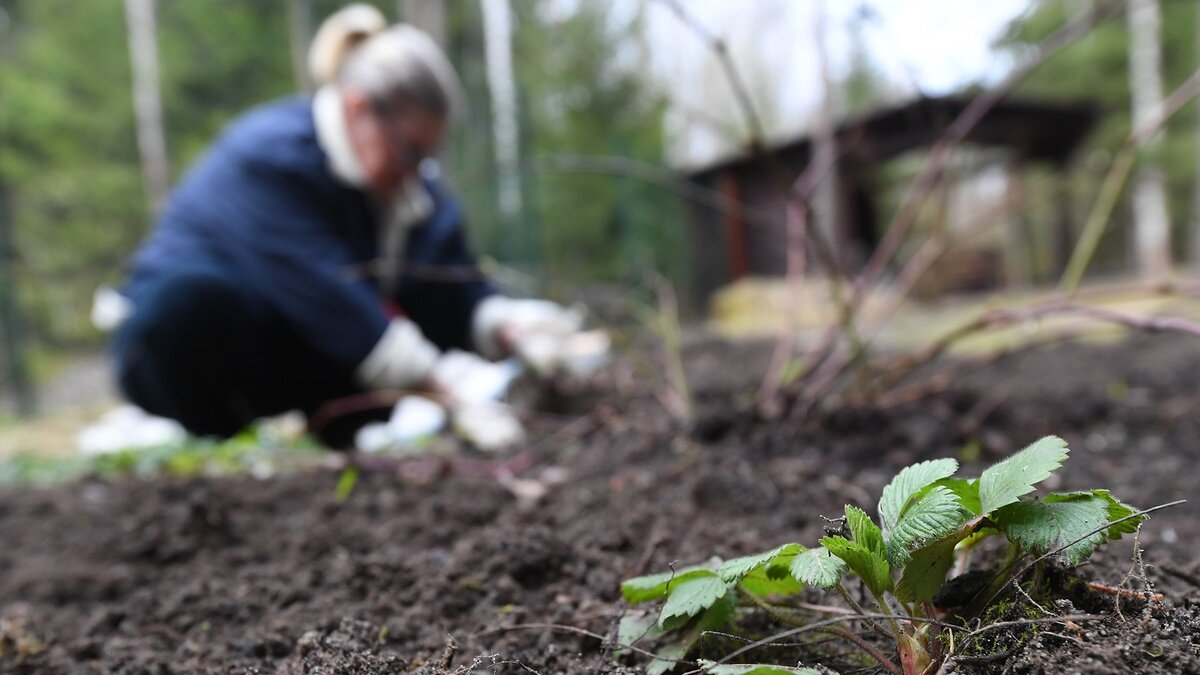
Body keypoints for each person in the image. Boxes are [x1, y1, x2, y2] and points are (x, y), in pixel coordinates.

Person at [102, 5, 584, 447]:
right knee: (194, 301)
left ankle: (331, 436)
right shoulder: (270, 160)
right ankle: (200, 433)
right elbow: (333, 304)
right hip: (175, 355)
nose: (417, 171)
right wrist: (452, 391)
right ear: (357, 110)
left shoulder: (409, 195)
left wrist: (511, 328)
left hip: (293, 358)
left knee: (393, 322)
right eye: (409, 150)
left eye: (428, 155)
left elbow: (451, 287)